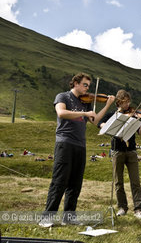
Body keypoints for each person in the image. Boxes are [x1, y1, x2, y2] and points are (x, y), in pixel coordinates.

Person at [39, 73, 115, 228]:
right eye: (85, 85)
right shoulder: (63, 97)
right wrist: (84, 113)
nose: (87, 89)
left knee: (75, 183)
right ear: (75, 83)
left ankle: (69, 217)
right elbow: (61, 113)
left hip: (80, 145)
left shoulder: (86, 102)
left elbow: (94, 121)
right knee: (59, 181)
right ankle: (46, 218)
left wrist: (107, 105)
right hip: (65, 142)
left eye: (89, 86)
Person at [98, 90, 141, 220]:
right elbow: (100, 123)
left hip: (131, 151)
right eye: (124, 101)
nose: (127, 104)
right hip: (117, 150)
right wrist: (107, 126)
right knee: (118, 182)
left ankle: (138, 208)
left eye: (128, 101)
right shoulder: (112, 115)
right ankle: (122, 207)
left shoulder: (134, 115)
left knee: (135, 181)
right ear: (118, 102)